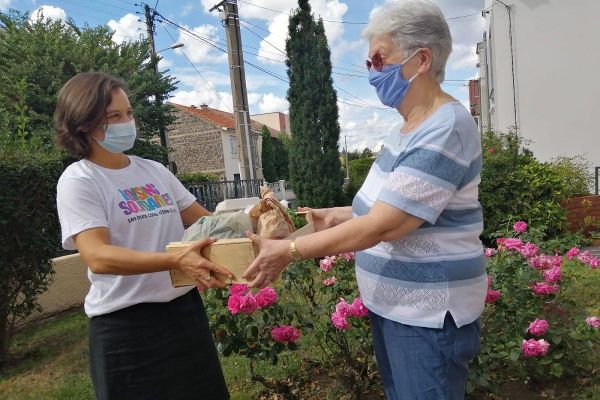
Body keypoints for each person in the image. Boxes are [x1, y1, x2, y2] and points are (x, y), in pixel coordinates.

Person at [242, 1, 486, 398]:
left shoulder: (445, 128)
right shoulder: (407, 128)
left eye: (379, 59)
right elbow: (393, 206)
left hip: (425, 316)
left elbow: (385, 225)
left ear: (421, 59)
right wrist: (339, 216)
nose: (372, 71)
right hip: (398, 309)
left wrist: (289, 250)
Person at [55, 71, 231, 400]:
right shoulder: (80, 180)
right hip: (126, 329)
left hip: (184, 314)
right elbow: (98, 256)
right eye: (114, 116)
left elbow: (208, 224)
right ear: (83, 124)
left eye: (129, 113)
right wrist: (174, 259)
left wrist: (255, 220)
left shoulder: (153, 170)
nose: (127, 122)